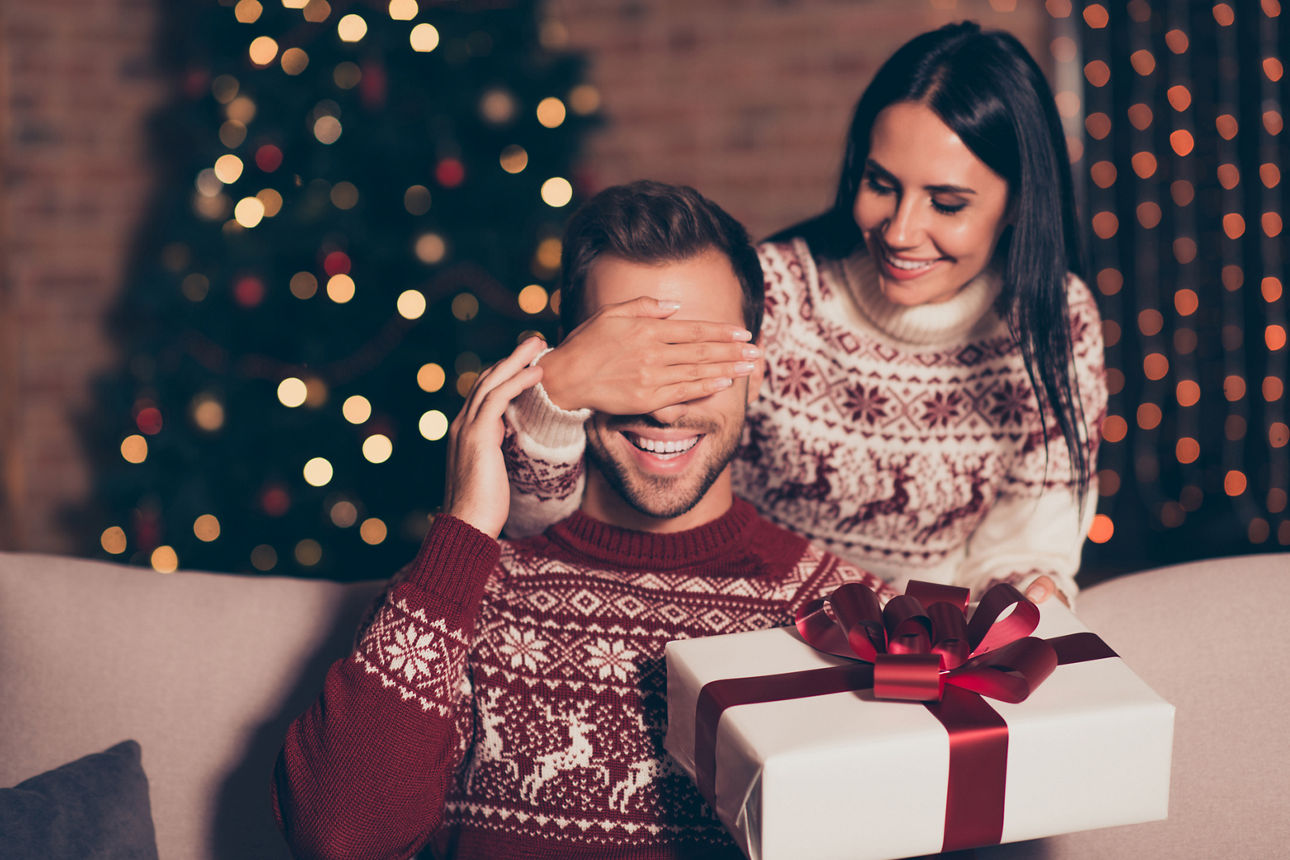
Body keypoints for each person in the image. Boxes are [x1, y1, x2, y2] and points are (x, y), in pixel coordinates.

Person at [271, 181, 894, 859]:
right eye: (629, 364)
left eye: (696, 360)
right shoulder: (464, 590)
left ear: (756, 370)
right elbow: (336, 839)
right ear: (568, 368)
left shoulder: (841, 613)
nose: (661, 407)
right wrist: (467, 527)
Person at [501, 21, 1107, 606]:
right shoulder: (780, 293)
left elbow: (1028, 544)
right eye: (881, 184)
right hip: (762, 624)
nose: (900, 231)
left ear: (1020, 203)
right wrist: (555, 398)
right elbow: (558, 518)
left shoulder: (1059, 322)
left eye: (946, 204)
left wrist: (1019, 599)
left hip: (933, 644)